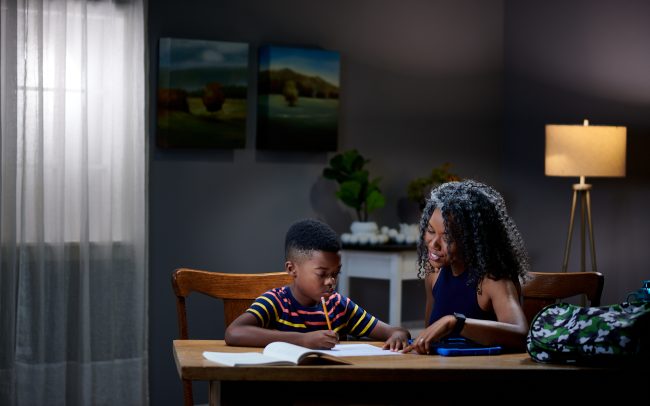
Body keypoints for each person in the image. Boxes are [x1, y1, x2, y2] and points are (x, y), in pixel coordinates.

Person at [225, 218, 411, 350]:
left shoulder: (339, 306)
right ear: (292, 269)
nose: (331, 282)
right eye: (322, 274)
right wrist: (303, 340)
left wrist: (397, 336)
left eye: (335, 274)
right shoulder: (275, 302)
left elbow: (396, 331)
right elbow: (234, 332)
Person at [403, 180, 530, 354]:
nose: (434, 244)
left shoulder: (492, 278)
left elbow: (521, 336)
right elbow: (430, 337)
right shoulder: (434, 271)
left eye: (447, 237)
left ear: (472, 239)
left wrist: (456, 323)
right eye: (430, 230)